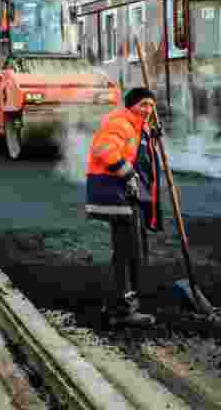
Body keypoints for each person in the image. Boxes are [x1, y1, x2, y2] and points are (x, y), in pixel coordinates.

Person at [86, 87, 163, 327]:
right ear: (131, 106)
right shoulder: (121, 122)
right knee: (128, 252)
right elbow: (103, 149)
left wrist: (151, 135)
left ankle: (119, 304)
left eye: (151, 105)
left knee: (129, 250)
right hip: (116, 194)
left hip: (127, 197)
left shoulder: (136, 124)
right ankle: (122, 310)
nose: (148, 110)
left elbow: (135, 146)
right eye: (143, 105)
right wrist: (128, 174)